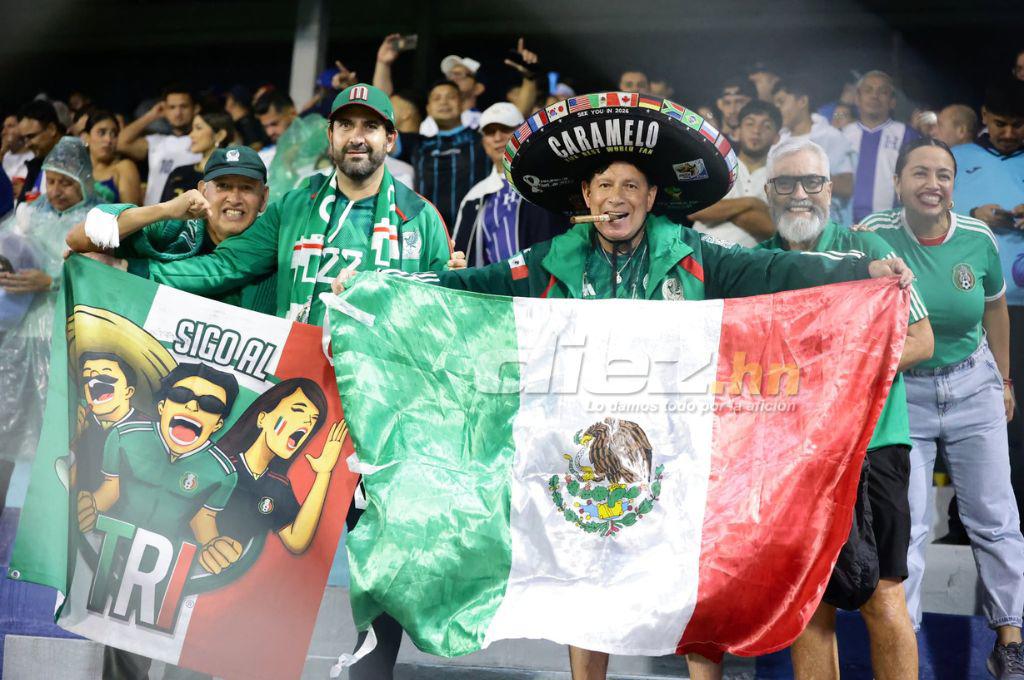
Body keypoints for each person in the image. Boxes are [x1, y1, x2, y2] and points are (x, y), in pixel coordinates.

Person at [332, 95, 917, 680]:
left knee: (694, 575)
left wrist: (859, 270)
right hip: (583, 452)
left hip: (676, 451)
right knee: (587, 577)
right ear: (585, 199)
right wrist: (378, 288)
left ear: (652, 198)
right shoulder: (549, 262)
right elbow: (467, 288)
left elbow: (776, 271)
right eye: (605, 186)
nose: (618, 198)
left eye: (632, 186)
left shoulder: (693, 257)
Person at [757, 139, 930, 680]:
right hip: (794, 454)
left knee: (883, 594)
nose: (800, 194)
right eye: (786, 183)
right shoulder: (755, 266)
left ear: (830, 189)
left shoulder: (868, 250)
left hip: (872, 444)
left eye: (812, 182)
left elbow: (922, 340)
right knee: (808, 600)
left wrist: (840, 373)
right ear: (768, 193)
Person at [858, 137, 1024, 679]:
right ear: (899, 183)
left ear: (955, 186)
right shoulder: (869, 237)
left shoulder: (978, 239)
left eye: (944, 175)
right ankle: (906, 642)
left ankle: (1010, 641)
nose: (933, 184)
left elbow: (997, 310)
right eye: (920, 174)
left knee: (995, 519)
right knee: (907, 527)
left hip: (973, 383)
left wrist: (1003, 380)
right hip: (906, 391)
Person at [119, 84, 459, 329]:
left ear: (390, 139)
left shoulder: (420, 218)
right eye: (345, 125)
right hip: (301, 386)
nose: (356, 137)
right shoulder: (294, 207)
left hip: (382, 390)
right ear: (330, 136)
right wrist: (129, 271)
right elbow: (223, 267)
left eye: (370, 126)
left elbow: (441, 315)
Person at [0, 137, 101, 510]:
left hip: (65, 336)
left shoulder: (96, 220)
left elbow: (104, 274)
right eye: (51, 180)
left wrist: (52, 280)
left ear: (84, 181)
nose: (56, 191)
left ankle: (47, 521)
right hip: (18, 337)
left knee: (57, 435)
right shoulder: (26, 216)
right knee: (7, 429)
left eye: (67, 182)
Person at [67, 145, 277, 314]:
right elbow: (77, 239)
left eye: (247, 188)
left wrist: (124, 267)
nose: (234, 198)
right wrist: (166, 209)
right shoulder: (176, 228)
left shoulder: (272, 243)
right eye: (223, 186)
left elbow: (213, 271)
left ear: (264, 198)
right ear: (203, 190)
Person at [950, 79, 1024, 537]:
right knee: (977, 415)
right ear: (983, 116)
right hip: (976, 308)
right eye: (1000, 124)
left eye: (1019, 126)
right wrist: (973, 215)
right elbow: (929, 214)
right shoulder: (960, 160)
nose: (1010, 133)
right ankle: (965, 522)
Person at [216, 378, 346, 555]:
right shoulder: (219, 466)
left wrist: (324, 473)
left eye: (313, 420)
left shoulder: (278, 485)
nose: (308, 423)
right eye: (298, 410)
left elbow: (297, 541)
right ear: (263, 418)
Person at [451, 102, 565, 266]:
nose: (498, 137)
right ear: (483, 142)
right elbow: (460, 255)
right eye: (490, 132)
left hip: (542, 285)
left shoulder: (549, 181)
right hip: (491, 288)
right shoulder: (474, 196)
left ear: (523, 133)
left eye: (505, 129)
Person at [690, 100, 779, 246]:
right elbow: (695, 209)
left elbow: (772, 230)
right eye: (750, 124)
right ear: (737, 132)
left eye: (766, 126)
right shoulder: (711, 164)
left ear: (777, 138)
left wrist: (720, 211)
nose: (757, 130)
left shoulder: (780, 179)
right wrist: (753, 203)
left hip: (750, 263)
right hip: (701, 256)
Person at [773, 78, 857, 225]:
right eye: (775, 104)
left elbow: (846, 187)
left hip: (828, 228)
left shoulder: (832, 137)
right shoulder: (777, 142)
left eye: (781, 102)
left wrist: (804, 175)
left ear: (802, 101)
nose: (777, 109)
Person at [408, 80, 491, 228]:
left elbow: (517, 118)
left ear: (462, 103)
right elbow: (380, 126)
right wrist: (383, 63)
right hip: (429, 234)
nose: (444, 102)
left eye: (451, 97)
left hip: (475, 232)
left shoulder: (482, 140)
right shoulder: (417, 144)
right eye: (437, 98)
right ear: (428, 108)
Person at [842, 70, 919, 222]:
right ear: (857, 98)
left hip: (892, 227)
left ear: (892, 102)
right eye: (868, 90)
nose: (874, 96)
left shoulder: (908, 135)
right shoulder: (842, 135)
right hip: (846, 227)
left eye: (882, 92)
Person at [117, 84, 202, 206]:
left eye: (183, 106)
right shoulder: (156, 141)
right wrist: (152, 115)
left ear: (196, 108)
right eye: (172, 107)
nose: (178, 113)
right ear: (164, 110)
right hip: (153, 217)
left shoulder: (203, 141)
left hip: (188, 217)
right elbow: (120, 143)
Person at [161, 110, 236, 201]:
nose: (191, 135)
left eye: (198, 128)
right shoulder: (179, 172)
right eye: (192, 129)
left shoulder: (231, 175)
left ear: (220, 135)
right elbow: (162, 211)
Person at [79, 109, 142, 205]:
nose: (108, 140)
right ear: (85, 137)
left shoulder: (124, 168)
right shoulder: (77, 171)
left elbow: (133, 214)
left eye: (114, 134)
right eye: (101, 133)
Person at [16, 99, 64, 203]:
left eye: (31, 136)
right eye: (24, 139)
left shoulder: (77, 162)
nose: (27, 144)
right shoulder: (35, 166)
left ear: (52, 129)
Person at [253, 89, 297, 168]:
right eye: (265, 126)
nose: (269, 132)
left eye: (274, 124)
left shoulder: (318, 143)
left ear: (292, 114)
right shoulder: (263, 158)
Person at [225, 85, 268, 149]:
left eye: (227, 99)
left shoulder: (246, 124)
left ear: (232, 101)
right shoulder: (245, 123)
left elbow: (256, 148)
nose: (225, 104)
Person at [713, 76, 754, 142]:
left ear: (750, 103)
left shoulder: (758, 144)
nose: (732, 110)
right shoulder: (712, 142)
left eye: (739, 102)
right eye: (727, 103)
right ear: (719, 104)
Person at [2, 114, 32, 199]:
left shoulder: (35, 156)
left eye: (10, 126)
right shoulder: (3, 156)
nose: (4, 132)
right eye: (3, 127)